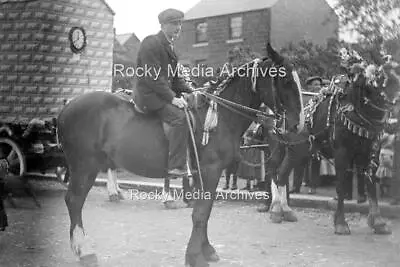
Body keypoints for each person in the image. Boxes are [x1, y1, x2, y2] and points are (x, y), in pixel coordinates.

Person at [135, 8, 193, 177]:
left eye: (180, 23)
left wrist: (193, 90)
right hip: (148, 95)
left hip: (160, 94)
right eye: (174, 23)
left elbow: (174, 79)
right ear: (163, 25)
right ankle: (176, 166)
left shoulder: (170, 48)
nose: (178, 27)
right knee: (179, 118)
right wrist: (173, 99)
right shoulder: (150, 43)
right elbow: (153, 78)